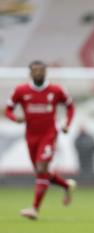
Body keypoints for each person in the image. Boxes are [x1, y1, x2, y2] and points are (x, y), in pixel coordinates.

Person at [4, 60, 76, 220]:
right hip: (31, 136)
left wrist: (66, 124)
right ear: (30, 73)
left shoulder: (56, 90)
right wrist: (15, 118)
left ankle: (34, 208)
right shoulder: (21, 90)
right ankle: (66, 186)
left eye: (41, 70)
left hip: (49, 134)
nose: (38, 73)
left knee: (42, 167)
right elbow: (7, 109)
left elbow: (70, 106)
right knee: (40, 172)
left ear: (46, 72)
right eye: (35, 71)